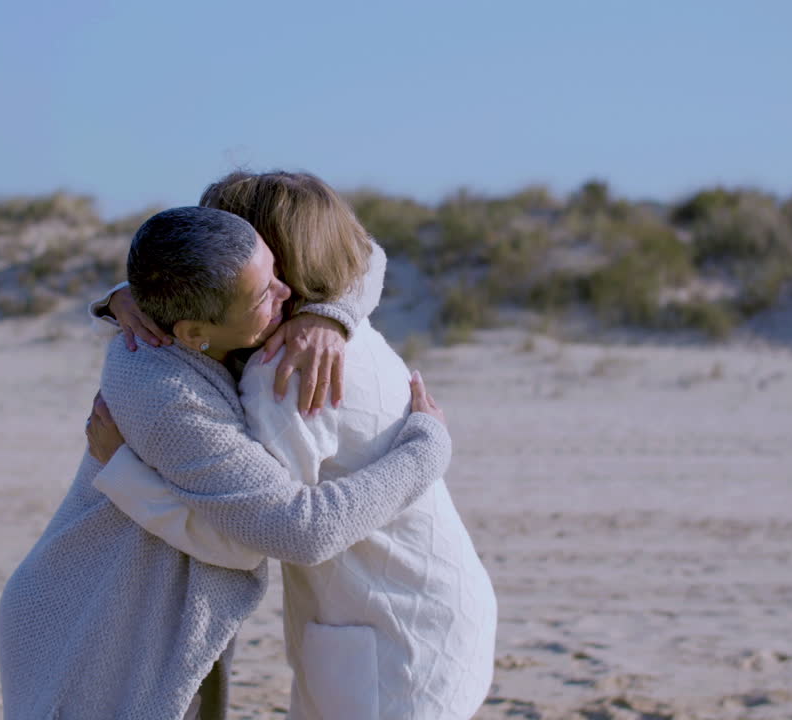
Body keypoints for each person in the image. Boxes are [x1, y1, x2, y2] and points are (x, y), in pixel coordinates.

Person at [0, 205, 452, 720]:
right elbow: (301, 531)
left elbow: (364, 257)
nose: (288, 293)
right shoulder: (167, 395)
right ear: (193, 333)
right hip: (96, 626)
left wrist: (329, 316)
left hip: (161, 613)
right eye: (265, 294)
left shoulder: (210, 306)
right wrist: (425, 449)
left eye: (277, 271)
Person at [92, 171, 497, 719]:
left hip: (393, 643)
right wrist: (128, 297)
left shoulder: (285, 376)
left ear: (272, 260)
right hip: (433, 607)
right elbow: (369, 255)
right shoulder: (344, 330)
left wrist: (122, 473)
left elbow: (261, 538)